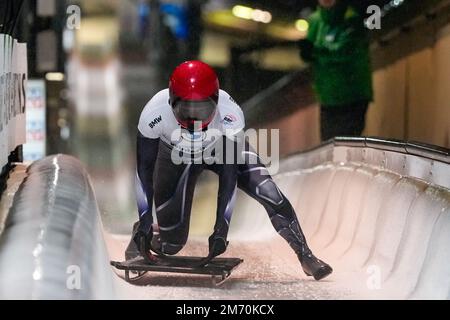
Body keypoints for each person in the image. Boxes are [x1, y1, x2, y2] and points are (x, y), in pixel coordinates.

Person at [126, 60, 333, 280]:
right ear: (171, 101)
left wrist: (220, 231)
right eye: (186, 109)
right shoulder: (153, 114)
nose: (194, 118)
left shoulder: (230, 114)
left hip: (221, 150)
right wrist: (145, 221)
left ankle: (306, 255)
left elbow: (229, 174)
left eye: (202, 109)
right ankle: (146, 232)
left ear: (215, 103)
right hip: (177, 157)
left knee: (268, 191)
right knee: (172, 243)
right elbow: (143, 172)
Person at [299, 0, 373, 141]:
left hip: (352, 96)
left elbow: (345, 51)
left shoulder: (352, 19)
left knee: (345, 146)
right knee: (328, 145)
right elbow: (310, 51)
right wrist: (308, 53)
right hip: (328, 97)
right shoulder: (315, 20)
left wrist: (315, 52)